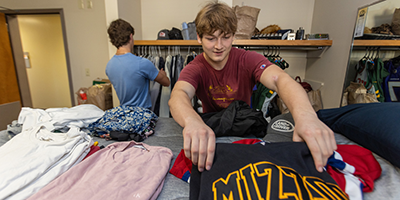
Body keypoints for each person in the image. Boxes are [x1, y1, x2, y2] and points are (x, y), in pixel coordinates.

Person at [169, 2, 337, 173]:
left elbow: (281, 79)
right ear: (199, 37)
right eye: (211, 39)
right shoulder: (195, 67)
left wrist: (306, 116)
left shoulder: (247, 59)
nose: (219, 46)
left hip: (245, 128)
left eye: (225, 37)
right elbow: (179, 94)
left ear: (233, 36)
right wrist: (192, 121)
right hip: (213, 130)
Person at [106, 19, 170, 109]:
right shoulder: (142, 63)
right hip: (142, 115)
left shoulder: (109, 66)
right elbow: (166, 82)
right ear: (131, 36)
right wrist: (163, 75)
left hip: (125, 114)